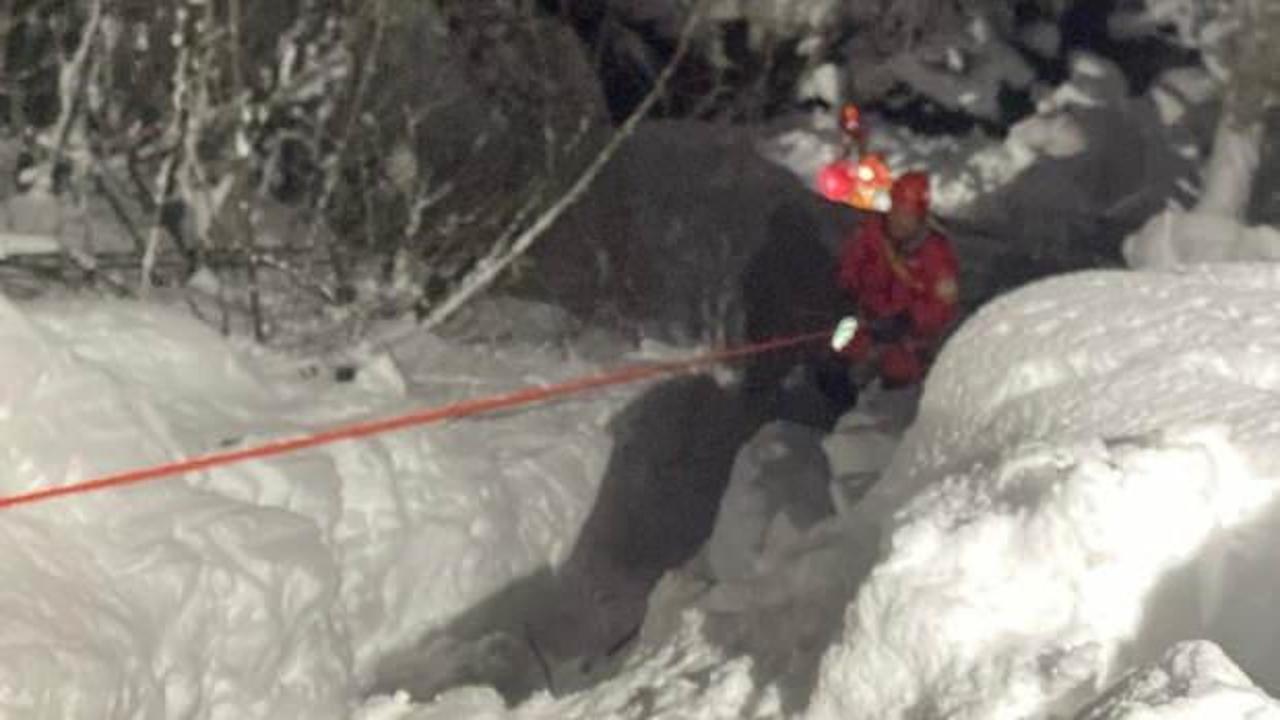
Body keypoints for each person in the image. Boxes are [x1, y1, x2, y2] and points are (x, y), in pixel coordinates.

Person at [819, 171, 959, 401]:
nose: (899, 220)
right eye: (897, 210)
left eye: (908, 215)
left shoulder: (936, 253)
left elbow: (943, 307)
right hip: (866, 323)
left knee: (896, 384)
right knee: (833, 365)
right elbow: (850, 266)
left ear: (920, 216)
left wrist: (908, 320)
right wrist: (845, 295)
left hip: (906, 337)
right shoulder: (871, 233)